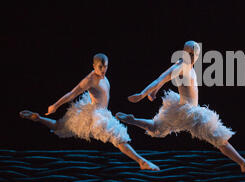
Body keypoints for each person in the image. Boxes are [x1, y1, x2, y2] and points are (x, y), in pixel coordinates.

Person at [116, 41, 245, 177]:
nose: (190, 57)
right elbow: (161, 78)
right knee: (219, 138)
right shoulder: (181, 66)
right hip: (191, 113)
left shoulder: (187, 66)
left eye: (193, 54)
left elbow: (163, 80)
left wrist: (154, 91)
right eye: (188, 53)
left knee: (156, 128)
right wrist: (143, 94)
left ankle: (133, 120)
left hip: (182, 110)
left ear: (197, 56)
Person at [19, 53, 159, 171]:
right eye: (100, 66)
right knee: (118, 137)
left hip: (99, 111)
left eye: (106, 66)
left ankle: (37, 118)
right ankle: (142, 162)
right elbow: (71, 94)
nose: (103, 69)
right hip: (96, 115)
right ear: (93, 66)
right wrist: (55, 105)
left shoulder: (102, 76)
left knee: (59, 126)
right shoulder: (90, 80)